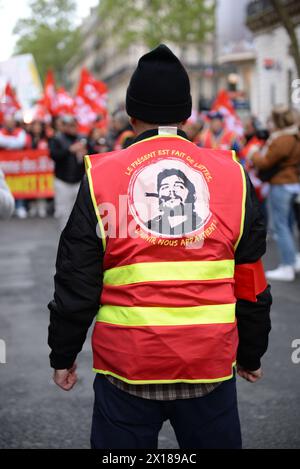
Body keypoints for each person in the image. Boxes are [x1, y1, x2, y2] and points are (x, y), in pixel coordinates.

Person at [48, 45, 272, 450]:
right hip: (209, 364)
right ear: (187, 115)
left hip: (127, 368)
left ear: (131, 115)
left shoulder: (102, 176)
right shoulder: (234, 175)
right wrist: (252, 353)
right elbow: (251, 280)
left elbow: (76, 280)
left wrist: (63, 355)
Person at [251, 106, 300, 281]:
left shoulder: (282, 139)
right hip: (292, 183)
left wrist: (254, 153)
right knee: (288, 224)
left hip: (281, 184)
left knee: (281, 226)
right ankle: (293, 259)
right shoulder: (294, 136)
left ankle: (287, 265)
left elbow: (265, 162)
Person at [49, 115, 86, 230]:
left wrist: (87, 151)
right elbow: (54, 155)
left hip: (79, 180)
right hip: (63, 181)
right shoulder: (57, 139)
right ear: (64, 127)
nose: (73, 128)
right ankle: (64, 236)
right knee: (63, 211)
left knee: (82, 211)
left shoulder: (82, 138)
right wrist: (69, 150)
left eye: (74, 125)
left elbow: (93, 153)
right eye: (69, 125)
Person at [0, 115, 30, 218]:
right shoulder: (1, 131)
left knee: (20, 184)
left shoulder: (20, 131)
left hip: (17, 165)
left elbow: (21, 143)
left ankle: (20, 206)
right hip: (5, 165)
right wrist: (12, 142)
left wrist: (6, 143)